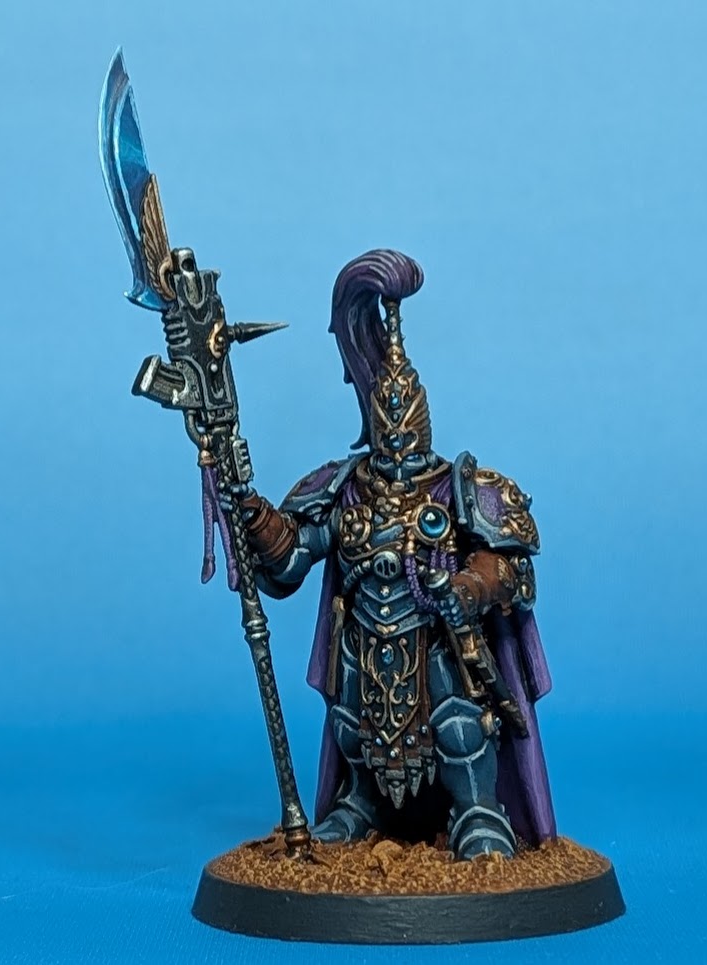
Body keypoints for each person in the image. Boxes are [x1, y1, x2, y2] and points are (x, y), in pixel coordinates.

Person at [229, 249, 556, 859]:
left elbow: (511, 567)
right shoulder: (343, 486)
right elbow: (294, 557)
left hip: (435, 643)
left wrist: (469, 588)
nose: (399, 430)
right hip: (362, 644)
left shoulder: (458, 488)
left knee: (458, 723)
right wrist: (257, 517)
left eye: (409, 417)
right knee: (351, 723)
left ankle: (477, 809)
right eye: (389, 417)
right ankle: (360, 805)